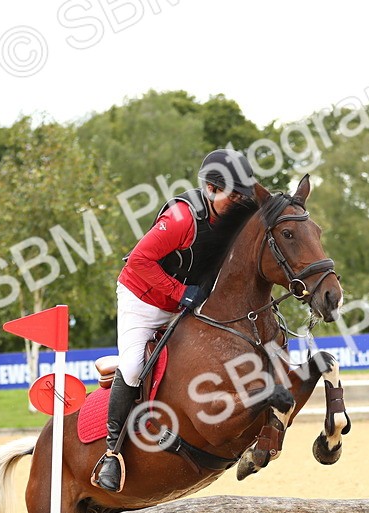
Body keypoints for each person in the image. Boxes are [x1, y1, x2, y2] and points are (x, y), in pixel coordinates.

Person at [93, 148, 257, 492]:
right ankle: (111, 452)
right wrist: (180, 292)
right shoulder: (182, 219)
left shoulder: (233, 214)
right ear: (211, 189)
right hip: (142, 299)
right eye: (234, 196)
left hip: (185, 302)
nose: (239, 203)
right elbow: (138, 262)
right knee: (134, 367)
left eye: (243, 196)